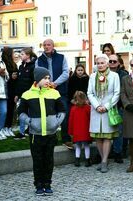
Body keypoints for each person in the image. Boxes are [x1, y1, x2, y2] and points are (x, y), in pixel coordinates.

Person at [18, 67, 65, 195]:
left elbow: (62, 110)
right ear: (37, 79)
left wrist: (56, 122)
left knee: (49, 160)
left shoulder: (54, 93)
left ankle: (47, 184)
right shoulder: (27, 94)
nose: (47, 80)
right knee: (38, 161)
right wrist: (30, 122)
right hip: (35, 135)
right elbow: (21, 112)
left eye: (48, 78)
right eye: (45, 78)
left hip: (51, 134)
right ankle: (38, 185)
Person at [36, 39, 72, 150]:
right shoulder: (39, 60)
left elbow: (66, 73)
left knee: (64, 114)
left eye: (49, 45)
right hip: (46, 92)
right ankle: (51, 139)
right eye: (45, 45)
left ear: (53, 46)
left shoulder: (61, 57)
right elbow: (37, 74)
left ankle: (66, 139)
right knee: (49, 116)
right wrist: (46, 84)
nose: (46, 47)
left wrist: (55, 83)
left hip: (60, 91)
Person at [87, 53, 120, 173]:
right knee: (98, 137)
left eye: (102, 63)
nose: (100, 65)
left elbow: (116, 93)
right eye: (98, 63)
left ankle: (105, 161)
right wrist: (96, 105)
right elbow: (89, 93)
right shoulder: (92, 76)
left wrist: (106, 106)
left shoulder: (114, 76)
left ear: (107, 64)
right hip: (96, 110)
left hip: (108, 109)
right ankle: (102, 158)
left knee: (107, 136)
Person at [108, 54, 128, 163]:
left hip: (119, 106)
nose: (112, 64)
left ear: (119, 63)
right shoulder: (102, 74)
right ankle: (102, 153)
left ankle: (117, 152)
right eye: (110, 61)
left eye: (114, 62)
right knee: (105, 130)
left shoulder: (124, 75)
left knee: (118, 131)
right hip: (105, 106)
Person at [14, 47, 37, 139]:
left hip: (30, 94)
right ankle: (22, 132)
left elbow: (34, 81)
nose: (20, 55)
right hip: (22, 95)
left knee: (31, 113)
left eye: (22, 54)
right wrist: (17, 94)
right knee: (21, 113)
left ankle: (30, 130)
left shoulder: (33, 66)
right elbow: (19, 82)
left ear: (28, 55)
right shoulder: (21, 66)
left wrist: (32, 93)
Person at [68, 91, 92, 167]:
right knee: (86, 146)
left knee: (78, 146)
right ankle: (87, 160)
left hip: (76, 132)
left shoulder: (73, 109)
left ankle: (77, 160)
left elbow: (70, 121)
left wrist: (70, 132)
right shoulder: (88, 108)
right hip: (86, 131)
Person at [1, 47, 18, 137]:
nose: (14, 54)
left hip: (13, 89)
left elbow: (16, 74)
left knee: (11, 109)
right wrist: (11, 76)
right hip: (6, 89)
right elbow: (4, 77)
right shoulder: (3, 63)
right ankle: (4, 128)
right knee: (6, 110)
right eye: (13, 52)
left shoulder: (13, 63)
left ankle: (9, 127)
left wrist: (15, 75)